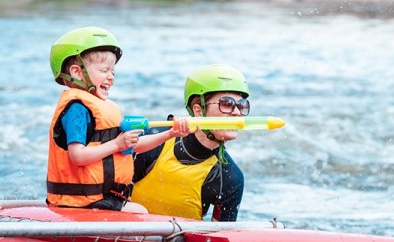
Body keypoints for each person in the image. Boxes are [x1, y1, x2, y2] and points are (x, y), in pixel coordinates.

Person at [47, 26, 191, 212]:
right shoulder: (77, 109)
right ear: (77, 72)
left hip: (101, 198)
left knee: (139, 208)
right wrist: (117, 144)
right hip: (80, 202)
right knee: (141, 212)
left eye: (113, 72)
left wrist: (171, 134)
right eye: (104, 70)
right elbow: (78, 156)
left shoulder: (101, 108)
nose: (111, 77)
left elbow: (134, 145)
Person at [132, 64, 249, 221]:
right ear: (198, 111)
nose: (237, 113)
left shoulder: (230, 178)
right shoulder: (152, 142)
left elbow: (218, 239)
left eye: (241, 106)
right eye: (226, 104)